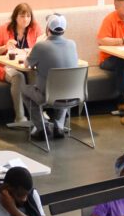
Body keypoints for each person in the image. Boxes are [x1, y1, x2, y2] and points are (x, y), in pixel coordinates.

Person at [16, 10, 81, 140]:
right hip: (74, 95)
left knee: (24, 90)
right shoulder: (72, 44)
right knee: (63, 85)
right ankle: (59, 126)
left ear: (48, 29)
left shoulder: (41, 46)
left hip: (47, 96)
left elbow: (26, 65)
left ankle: (41, 128)